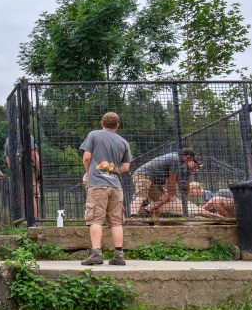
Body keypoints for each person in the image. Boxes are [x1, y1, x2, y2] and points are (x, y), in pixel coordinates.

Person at [79, 112, 133, 266]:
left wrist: (89, 173)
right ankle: (119, 255)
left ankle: (96, 253)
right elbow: (126, 167)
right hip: (116, 186)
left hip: (98, 184)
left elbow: (87, 157)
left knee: (95, 219)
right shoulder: (123, 142)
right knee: (116, 222)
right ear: (117, 125)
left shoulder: (94, 135)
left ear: (102, 123)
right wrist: (111, 169)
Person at [129, 148, 201, 220]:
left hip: (154, 181)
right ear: (188, 157)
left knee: (164, 197)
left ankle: (145, 211)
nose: (195, 169)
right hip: (143, 175)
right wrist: (171, 196)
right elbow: (171, 179)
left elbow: (182, 183)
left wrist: (184, 198)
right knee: (141, 196)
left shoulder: (183, 166)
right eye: (191, 161)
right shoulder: (176, 159)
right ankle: (133, 217)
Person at [5, 135, 41, 217]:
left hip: (17, 172)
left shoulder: (9, 139)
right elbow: (34, 155)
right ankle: (33, 220)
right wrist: (40, 171)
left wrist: (14, 172)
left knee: (21, 197)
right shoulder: (28, 136)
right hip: (29, 170)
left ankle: (23, 219)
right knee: (30, 196)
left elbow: (8, 159)